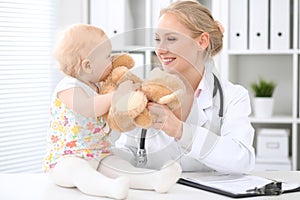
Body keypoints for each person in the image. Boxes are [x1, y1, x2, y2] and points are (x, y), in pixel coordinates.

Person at [42, 24, 181, 199]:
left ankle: (155, 180)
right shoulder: (68, 87)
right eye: (108, 57)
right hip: (65, 159)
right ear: (88, 66)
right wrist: (117, 95)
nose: (113, 60)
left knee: (120, 167)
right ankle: (109, 188)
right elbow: (89, 108)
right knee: (78, 171)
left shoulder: (98, 86)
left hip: (98, 153)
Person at [115, 0, 255, 174]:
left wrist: (180, 130)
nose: (160, 50)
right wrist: (98, 148)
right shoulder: (143, 93)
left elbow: (241, 161)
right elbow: (128, 152)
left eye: (171, 39)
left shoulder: (232, 96)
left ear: (202, 41)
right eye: (158, 40)